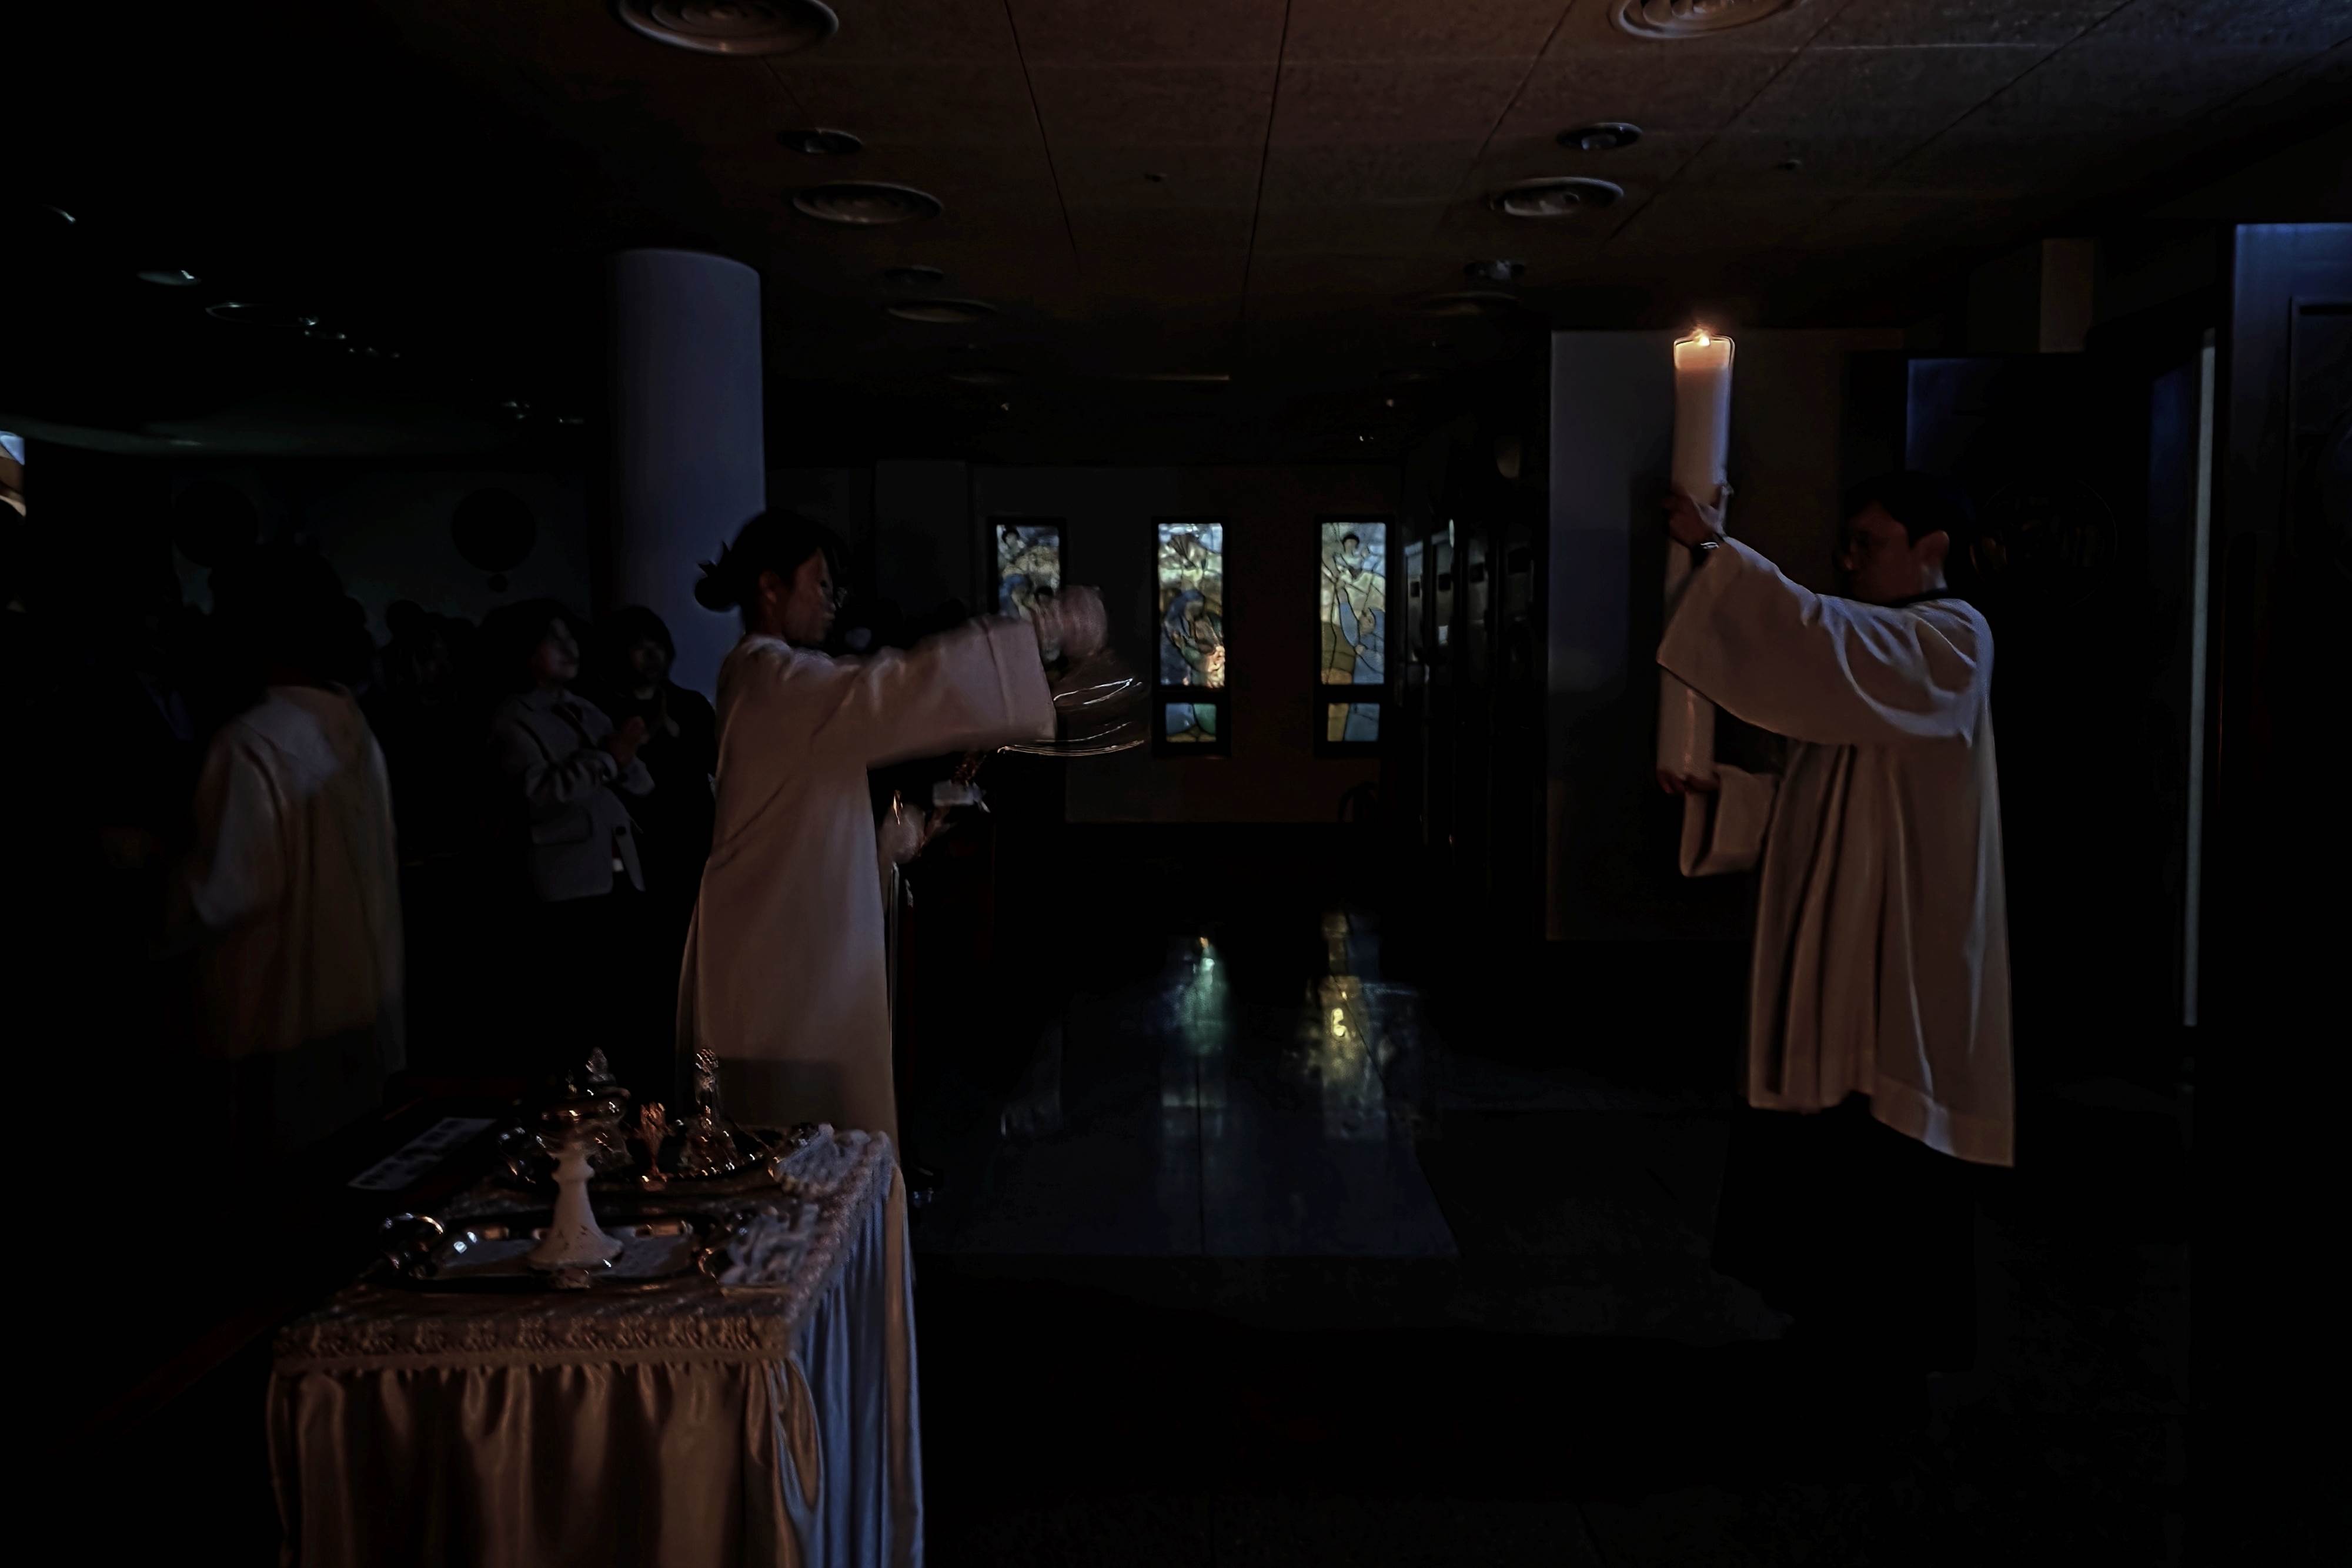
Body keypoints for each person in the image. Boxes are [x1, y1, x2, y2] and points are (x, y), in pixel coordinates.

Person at [1656, 472, 2010, 1389]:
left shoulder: (1953, 639)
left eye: (1869, 543)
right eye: (1846, 544)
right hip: (1836, 940)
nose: (1848, 561)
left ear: (1932, 548)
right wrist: (1723, 793)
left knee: (1884, 1151)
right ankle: (1826, 1331)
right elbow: (1816, 795)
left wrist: (1714, 552)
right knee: (1824, 1152)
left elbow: (1822, 638)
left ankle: (1885, 1350)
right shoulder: (1865, 657)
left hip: (1897, 953)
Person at [678, 510, 1104, 1143]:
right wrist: (1037, 631)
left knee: (813, 1133)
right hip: (778, 955)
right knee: (790, 1143)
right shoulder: (770, 677)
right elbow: (893, 690)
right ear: (770, 587)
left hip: (791, 935)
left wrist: (877, 851)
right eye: (820, 585)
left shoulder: (775, 678)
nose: (832, 602)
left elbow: (801, 813)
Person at [171, 545, 404, 1158]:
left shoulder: (251, 741)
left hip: (278, 1022)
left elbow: (226, 892)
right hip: (361, 1009)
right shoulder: (351, 723)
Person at [483, 600, 663, 1089]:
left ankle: (629, 1100)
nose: (569, 649)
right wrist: (607, 759)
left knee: (624, 1003)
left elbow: (640, 781)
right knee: (579, 1009)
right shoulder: (512, 720)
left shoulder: (586, 708)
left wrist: (625, 756)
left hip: (619, 874)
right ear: (523, 652)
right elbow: (538, 795)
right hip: (567, 885)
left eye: (571, 638)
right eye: (553, 639)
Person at [587, 604, 718, 913]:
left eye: (658, 645)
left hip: (695, 836)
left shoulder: (689, 705)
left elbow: (718, 762)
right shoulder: (600, 712)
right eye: (639, 647)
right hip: (635, 842)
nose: (652, 655)